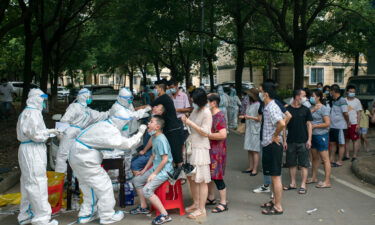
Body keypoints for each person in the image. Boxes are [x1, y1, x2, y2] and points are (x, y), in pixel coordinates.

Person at [69, 109, 147, 224]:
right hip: (85, 159)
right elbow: (128, 144)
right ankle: (107, 215)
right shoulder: (110, 130)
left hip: (75, 156)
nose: (125, 126)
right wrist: (140, 133)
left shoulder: (104, 124)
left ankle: (87, 214)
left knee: (88, 186)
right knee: (104, 186)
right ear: (121, 121)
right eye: (125, 123)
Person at [17, 88, 60, 225]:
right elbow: (36, 135)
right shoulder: (33, 113)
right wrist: (49, 134)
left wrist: (50, 130)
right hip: (33, 149)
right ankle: (42, 219)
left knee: (28, 182)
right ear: (35, 98)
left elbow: (35, 131)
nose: (43, 102)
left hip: (28, 148)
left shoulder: (28, 111)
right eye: (41, 99)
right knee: (37, 182)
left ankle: (26, 214)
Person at [130, 115, 174, 225]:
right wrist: (145, 170)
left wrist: (154, 174)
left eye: (151, 122)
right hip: (156, 168)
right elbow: (153, 156)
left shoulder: (161, 139)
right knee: (137, 180)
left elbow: (164, 160)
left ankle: (165, 215)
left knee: (147, 190)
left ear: (157, 127)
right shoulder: (154, 137)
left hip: (165, 170)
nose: (148, 123)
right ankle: (144, 206)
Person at [55, 88, 109, 173]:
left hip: (79, 134)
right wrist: (60, 133)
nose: (90, 98)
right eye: (89, 96)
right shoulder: (74, 107)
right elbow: (65, 120)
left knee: (76, 157)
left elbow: (100, 116)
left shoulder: (87, 110)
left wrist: (112, 112)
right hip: (70, 133)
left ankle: (73, 179)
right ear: (84, 96)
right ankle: (61, 178)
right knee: (63, 156)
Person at [181, 88, 212, 219]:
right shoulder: (196, 109)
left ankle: (202, 209)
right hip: (191, 145)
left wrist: (189, 122)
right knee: (192, 178)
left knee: (201, 179)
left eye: (193, 99)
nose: (191, 101)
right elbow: (191, 125)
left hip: (200, 148)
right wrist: (187, 122)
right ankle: (196, 203)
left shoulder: (206, 112)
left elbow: (206, 132)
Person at [148, 79, 185, 179]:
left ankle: (181, 176)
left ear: (160, 88)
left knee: (176, 154)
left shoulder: (163, 98)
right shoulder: (165, 98)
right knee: (173, 153)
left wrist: (136, 110)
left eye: (156, 88)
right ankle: (176, 175)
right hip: (171, 129)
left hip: (174, 130)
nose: (155, 90)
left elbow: (150, 106)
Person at [258, 83, 285, 215]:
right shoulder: (267, 106)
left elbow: (282, 123)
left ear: (266, 94)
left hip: (273, 145)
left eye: (260, 91)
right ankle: (274, 201)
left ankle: (278, 206)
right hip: (268, 144)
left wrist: (275, 135)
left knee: (276, 177)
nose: (259, 93)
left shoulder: (272, 107)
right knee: (273, 175)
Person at [283, 89, 313, 195]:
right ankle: (292, 183)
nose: (305, 98)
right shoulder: (287, 110)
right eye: (303, 96)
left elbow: (309, 125)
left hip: (303, 141)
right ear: (297, 97)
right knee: (291, 163)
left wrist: (309, 139)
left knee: (304, 164)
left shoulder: (306, 109)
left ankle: (303, 185)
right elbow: (284, 126)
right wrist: (284, 140)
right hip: (290, 140)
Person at [206, 94, 228, 213]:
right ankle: (211, 197)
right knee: (210, 176)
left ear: (213, 103)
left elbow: (223, 134)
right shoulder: (210, 114)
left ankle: (223, 203)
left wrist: (207, 135)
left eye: (207, 101)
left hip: (217, 151)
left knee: (217, 176)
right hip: (210, 149)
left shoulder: (219, 116)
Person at [131, 104, 165, 175]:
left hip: (150, 152)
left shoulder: (157, 124)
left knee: (135, 164)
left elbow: (152, 139)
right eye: (155, 106)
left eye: (157, 107)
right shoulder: (152, 118)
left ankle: (139, 182)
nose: (154, 107)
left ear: (161, 112)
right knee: (133, 160)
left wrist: (144, 151)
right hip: (148, 150)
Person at [307, 90, 331, 188]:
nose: (311, 98)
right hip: (312, 136)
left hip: (321, 136)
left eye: (313, 96)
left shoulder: (324, 108)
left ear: (318, 97)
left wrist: (315, 126)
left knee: (325, 159)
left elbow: (327, 123)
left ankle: (327, 181)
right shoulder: (311, 107)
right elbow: (306, 118)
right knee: (314, 158)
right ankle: (314, 177)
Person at [239, 88, 261, 176]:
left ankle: (255, 169)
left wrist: (248, 117)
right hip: (249, 129)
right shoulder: (250, 104)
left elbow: (259, 119)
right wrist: (245, 117)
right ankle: (250, 167)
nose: (247, 97)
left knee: (255, 150)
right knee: (249, 149)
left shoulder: (258, 105)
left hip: (255, 129)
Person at [329, 84, 349, 167]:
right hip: (333, 126)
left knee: (341, 144)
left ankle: (339, 161)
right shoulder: (333, 100)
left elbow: (345, 113)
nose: (330, 93)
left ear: (333, 91)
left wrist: (348, 122)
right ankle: (331, 160)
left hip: (340, 126)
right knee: (332, 143)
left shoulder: (342, 100)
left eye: (330, 91)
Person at [344, 85, 362, 162]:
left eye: (353, 92)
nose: (352, 93)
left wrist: (358, 124)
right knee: (346, 140)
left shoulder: (357, 101)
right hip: (345, 124)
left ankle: (354, 156)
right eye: (351, 91)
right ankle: (347, 155)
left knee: (355, 140)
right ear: (347, 91)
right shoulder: (344, 100)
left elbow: (359, 113)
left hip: (354, 123)